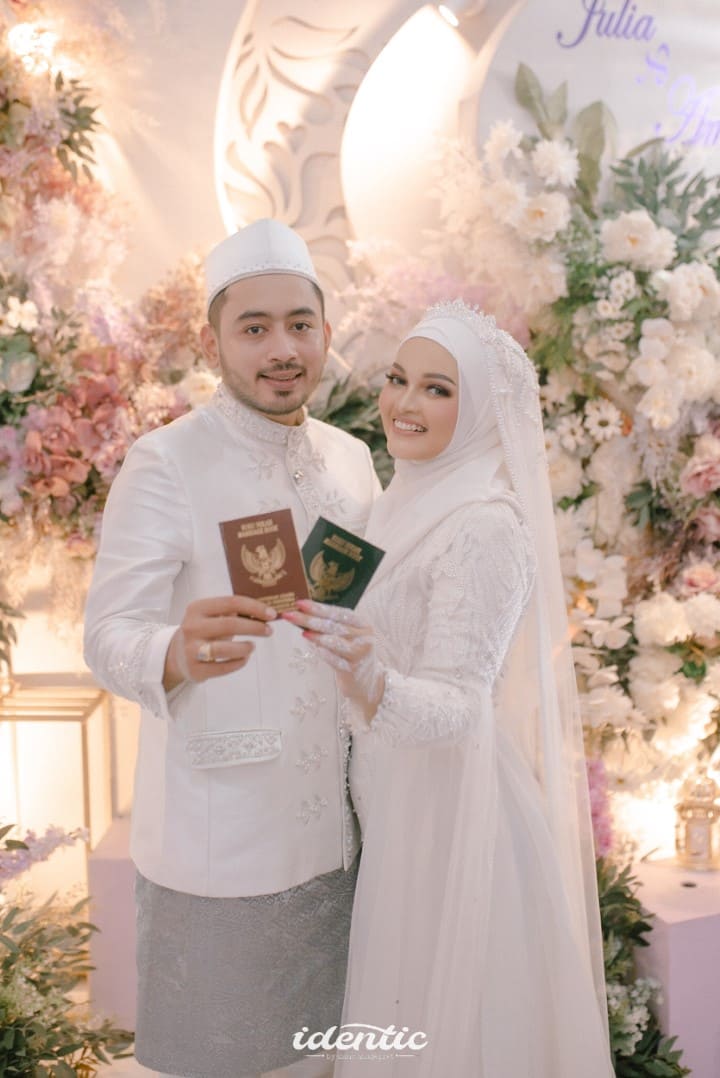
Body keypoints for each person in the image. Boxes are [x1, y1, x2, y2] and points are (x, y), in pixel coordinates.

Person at [284, 300, 615, 1076]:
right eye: (398, 378)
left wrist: (372, 680)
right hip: (395, 809)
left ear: (482, 412)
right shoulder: (396, 501)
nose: (403, 403)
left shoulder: (486, 524)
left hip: (454, 818)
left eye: (438, 389)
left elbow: (462, 705)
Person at [83, 219, 380, 1078]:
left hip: (345, 838)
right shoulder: (166, 462)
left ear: (325, 333)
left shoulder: (353, 461)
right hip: (223, 841)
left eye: (300, 324)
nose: (282, 348)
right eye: (254, 328)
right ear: (213, 341)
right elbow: (108, 634)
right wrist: (176, 651)